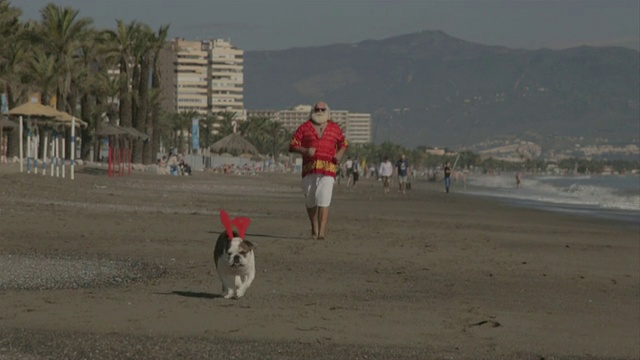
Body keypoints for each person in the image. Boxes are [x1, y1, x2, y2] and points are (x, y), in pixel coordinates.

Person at [289, 101, 348, 240]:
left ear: (327, 111)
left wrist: (339, 154)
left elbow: (344, 143)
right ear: (313, 110)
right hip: (309, 170)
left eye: (323, 109)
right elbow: (292, 145)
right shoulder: (304, 127)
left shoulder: (335, 128)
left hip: (328, 169)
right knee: (310, 200)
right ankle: (314, 228)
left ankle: (321, 232)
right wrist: (305, 150)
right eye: (317, 109)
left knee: (324, 198)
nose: (320, 112)